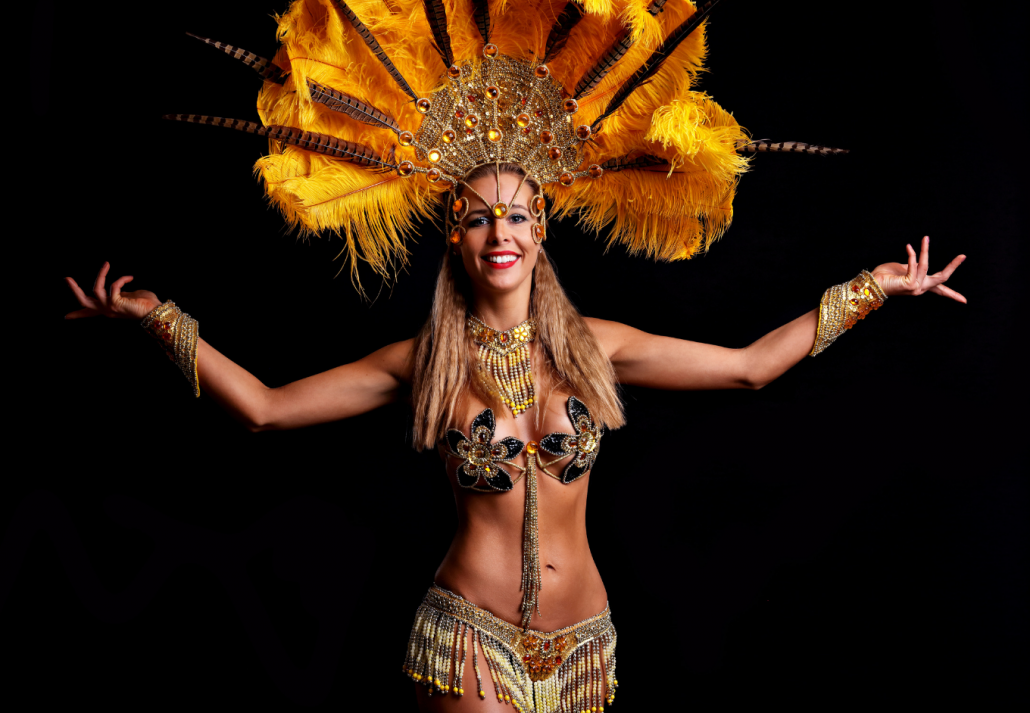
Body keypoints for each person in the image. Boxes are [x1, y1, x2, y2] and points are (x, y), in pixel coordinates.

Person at [64, 157, 965, 713]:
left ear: (542, 232)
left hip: (586, 646)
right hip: (471, 636)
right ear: (454, 237)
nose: (502, 229)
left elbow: (747, 366)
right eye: (479, 214)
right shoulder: (421, 361)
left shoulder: (599, 347)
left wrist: (871, 290)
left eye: (519, 213)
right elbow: (264, 407)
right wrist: (157, 321)